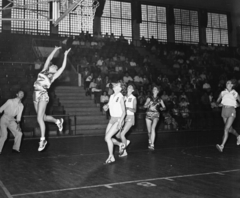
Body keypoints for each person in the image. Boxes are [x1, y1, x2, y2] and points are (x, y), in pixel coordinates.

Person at [33, 46, 71, 152]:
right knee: (43, 117)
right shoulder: (44, 70)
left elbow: (63, 67)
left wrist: (65, 55)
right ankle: (57, 121)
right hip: (35, 95)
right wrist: (55, 50)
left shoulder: (53, 77)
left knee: (39, 119)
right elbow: (49, 59)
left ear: (55, 71)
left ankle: (43, 140)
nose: (55, 66)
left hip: (43, 95)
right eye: (54, 66)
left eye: (56, 68)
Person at [103, 82, 126, 164]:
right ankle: (120, 144)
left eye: (117, 85)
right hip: (112, 119)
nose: (115, 85)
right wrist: (106, 107)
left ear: (120, 88)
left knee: (108, 137)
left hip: (118, 119)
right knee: (106, 138)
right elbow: (108, 106)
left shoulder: (121, 97)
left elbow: (124, 111)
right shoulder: (112, 96)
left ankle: (111, 156)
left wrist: (120, 121)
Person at [113, 83, 137, 157]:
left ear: (132, 90)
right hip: (123, 116)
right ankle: (125, 142)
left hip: (130, 116)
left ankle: (123, 151)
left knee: (122, 134)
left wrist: (128, 108)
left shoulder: (133, 98)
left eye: (130, 87)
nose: (129, 87)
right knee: (117, 135)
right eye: (128, 86)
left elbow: (135, 110)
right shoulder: (123, 97)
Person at [216, 80, 240, 152]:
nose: (228, 84)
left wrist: (237, 105)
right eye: (227, 83)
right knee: (229, 129)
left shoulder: (235, 93)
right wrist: (219, 104)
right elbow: (217, 101)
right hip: (224, 111)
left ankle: (222, 146)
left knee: (226, 129)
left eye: (229, 83)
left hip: (231, 111)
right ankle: (238, 136)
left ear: (232, 85)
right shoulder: (223, 92)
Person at [144, 86, 166, 150]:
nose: (154, 90)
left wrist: (162, 108)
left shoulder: (160, 99)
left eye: (155, 89)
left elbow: (164, 107)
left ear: (158, 91)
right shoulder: (149, 98)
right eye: (153, 89)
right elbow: (144, 106)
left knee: (153, 128)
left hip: (156, 114)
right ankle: (150, 139)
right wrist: (148, 105)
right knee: (149, 131)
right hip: (148, 114)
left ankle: (152, 145)